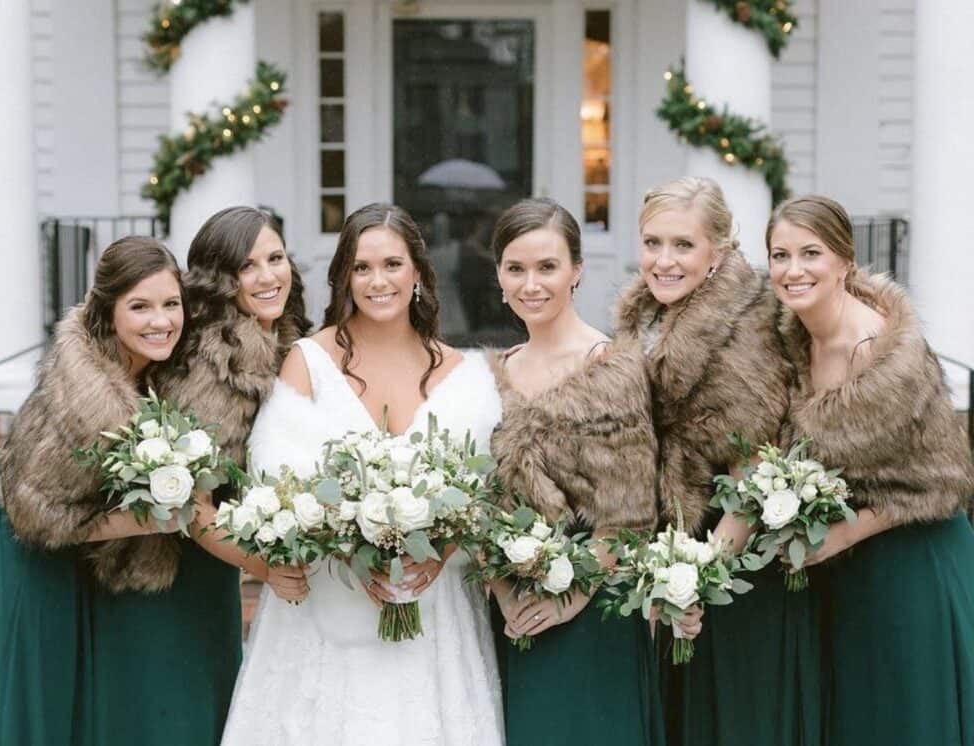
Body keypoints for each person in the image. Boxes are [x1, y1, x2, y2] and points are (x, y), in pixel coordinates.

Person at [220, 203, 505, 745]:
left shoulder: (464, 374)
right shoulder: (308, 361)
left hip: (432, 607)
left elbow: (485, 492)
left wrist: (440, 549)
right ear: (344, 277)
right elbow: (277, 483)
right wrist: (351, 550)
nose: (378, 282)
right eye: (362, 267)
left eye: (393, 265)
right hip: (330, 607)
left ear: (418, 273)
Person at [88, 207, 311, 745]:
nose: (268, 276)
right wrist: (266, 567)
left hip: (210, 571)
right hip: (170, 575)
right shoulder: (215, 363)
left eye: (275, 258)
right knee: (176, 719)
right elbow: (189, 505)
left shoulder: (281, 339)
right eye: (246, 267)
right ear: (220, 281)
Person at [0, 238, 186, 746]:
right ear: (108, 311)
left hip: (58, 566)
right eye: (140, 307)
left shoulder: (144, 371)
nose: (160, 320)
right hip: (17, 567)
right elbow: (37, 515)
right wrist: (160, 516)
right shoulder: (85, 393)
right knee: (25, 724)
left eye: (171, 304)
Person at [613, 177, 818, 746]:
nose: (664, 260)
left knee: (728, 716)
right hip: (670, 541)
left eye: (683, 245)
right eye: (653, 243)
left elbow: (752, 469)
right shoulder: (644, 315)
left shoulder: (745, 328)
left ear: (720, 250)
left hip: (731, 555)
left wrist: (697, 578)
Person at [769, 195, 974, 746]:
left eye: (810, 253)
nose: (793, 270)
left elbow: (936, 479)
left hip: (913, 565)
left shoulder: (878, 352)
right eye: (780, 254)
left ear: (845, 261)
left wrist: (839, 536)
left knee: (905, 721)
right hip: (847, 570)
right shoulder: (790, 342)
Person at [486, 198, 667, 745]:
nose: (531, 284)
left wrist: (569, 595)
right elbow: (478, 504)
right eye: (516, 269)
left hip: (594, 610)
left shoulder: (611, 367)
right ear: (498, 275)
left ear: (577, 271)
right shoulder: (493, 375)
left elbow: (633, 513)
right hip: (513, 611)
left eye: (547, 267)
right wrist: (502, 592)